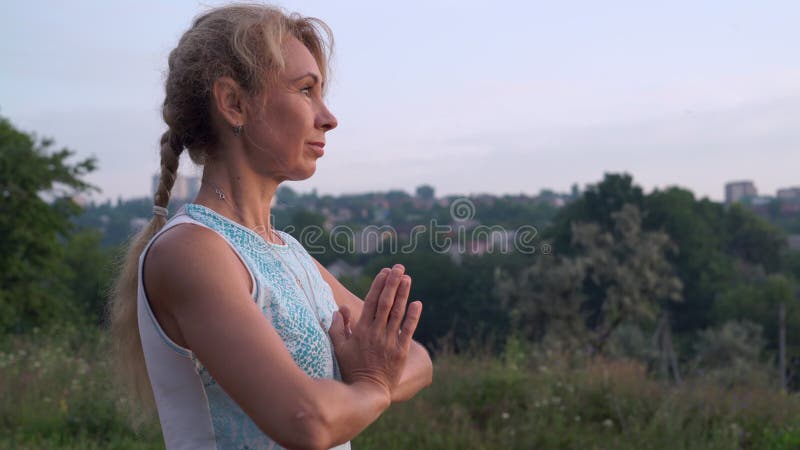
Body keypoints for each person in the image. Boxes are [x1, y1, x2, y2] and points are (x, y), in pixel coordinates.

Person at [107, 4, 433, 449]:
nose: (329, 117)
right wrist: (373, 382)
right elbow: (307, 420)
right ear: (234, 103)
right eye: (305, 90)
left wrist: (366, 382)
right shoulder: (190, 251)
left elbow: (417, 358)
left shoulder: (288, 251)